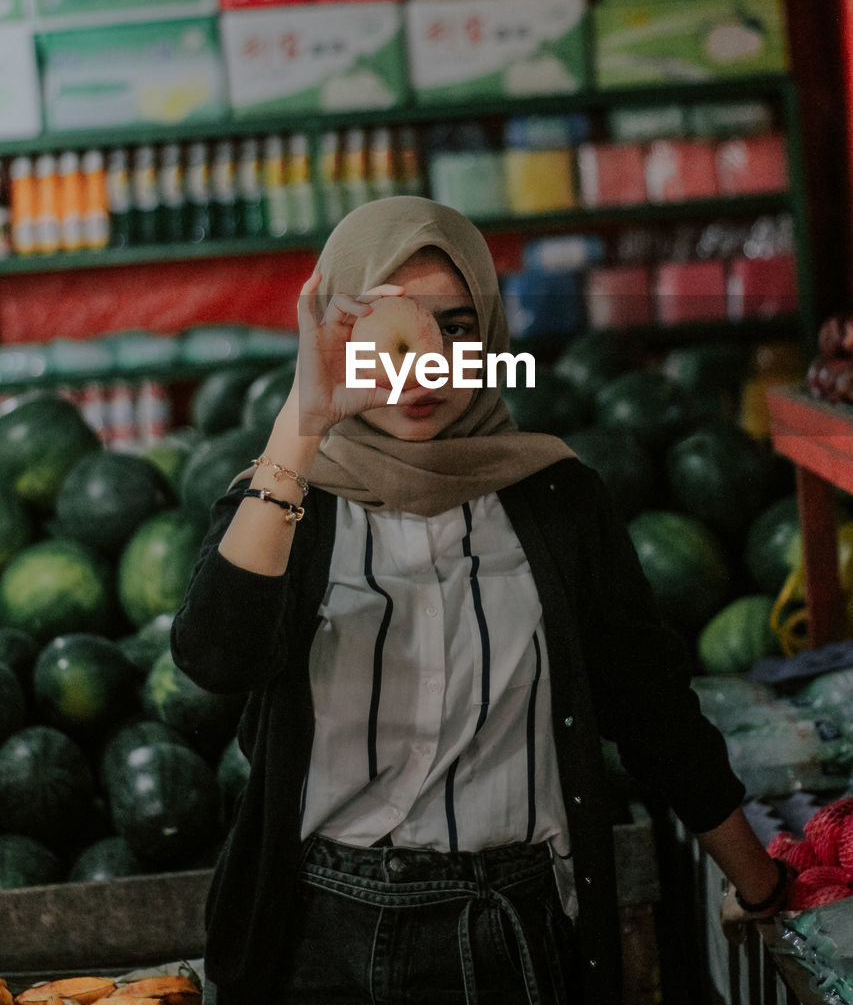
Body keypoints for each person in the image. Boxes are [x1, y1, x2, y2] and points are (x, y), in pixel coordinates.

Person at [172, 195, 791, 1005]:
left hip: (511, 932)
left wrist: (761, 885)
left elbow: (650, 706)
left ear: (493, 336)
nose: (422, 362)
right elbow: (216, 659)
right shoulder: (290, 503)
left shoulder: (558, 501)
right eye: (387, 328)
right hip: (317, 937)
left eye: (455, 328)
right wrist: (302, 420)